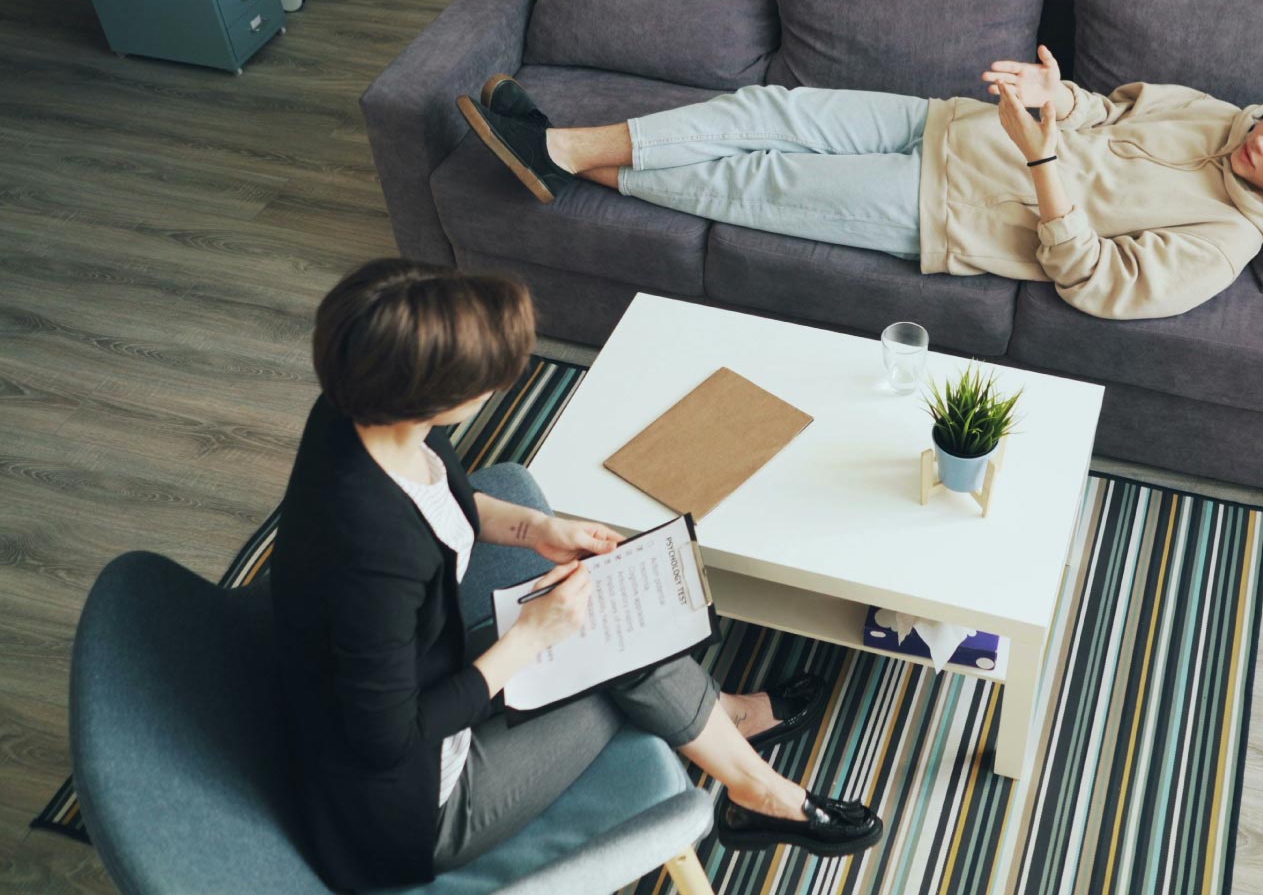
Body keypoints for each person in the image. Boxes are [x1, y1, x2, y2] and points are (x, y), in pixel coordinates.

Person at [271, 259, 882, 892]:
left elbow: (441, 501)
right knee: (615, 640)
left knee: (610, 618)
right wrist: (533, 638)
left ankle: (731, 733)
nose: (497, 392)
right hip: (414, 804)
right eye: (484, 384)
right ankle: (757, 787)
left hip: (427, 672)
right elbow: (388, 738)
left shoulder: (361, 413)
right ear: (430, 395)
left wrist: (538, 530)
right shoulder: (370, 555)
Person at [455, 46, 1263, 320]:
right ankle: (563, 148)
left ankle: (551, 157)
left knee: (758, 180)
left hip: (944, 210)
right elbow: (1104, 111)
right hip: (945, 122)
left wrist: (1040, 161)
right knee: (764, 108)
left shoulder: (1223, 245)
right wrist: (1051, 99)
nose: (1262, 137)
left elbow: (1094, 282)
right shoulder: (1221, 115)